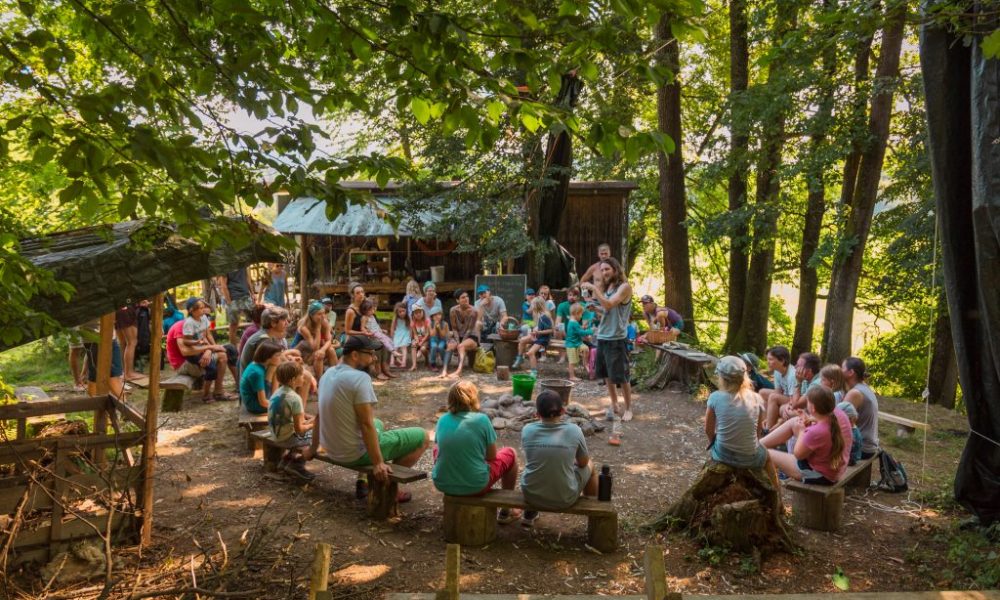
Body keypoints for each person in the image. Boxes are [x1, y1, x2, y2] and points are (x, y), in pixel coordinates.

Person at [304, 336, 430, 502]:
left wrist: (313, 448)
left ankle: (362, 480)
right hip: (352, 454)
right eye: (370, 353)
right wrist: (378, 463)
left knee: (379, 423)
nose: (374, 358)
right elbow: (365, 424)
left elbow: (320, 415)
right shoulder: (360, 379)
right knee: (423, 436)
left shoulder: (328, 373)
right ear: (355, 355)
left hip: (332, 448)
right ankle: (389, 487)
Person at [432, 381, 520, 521]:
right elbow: (491, 456)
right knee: (511, 454)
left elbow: (438, 448)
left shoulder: (442, 420)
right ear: (473, 399)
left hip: (442, 482)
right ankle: (506, 510)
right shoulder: (482, 419)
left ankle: (452, 473)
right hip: (476, 485)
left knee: (438, 448)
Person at [520, 390, 599, 527]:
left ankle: (530, 512)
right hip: (564, 498)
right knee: (590, 465)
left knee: (536, 467)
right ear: (563, 411)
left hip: (531, 495)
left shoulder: (527, 429)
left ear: (537, 414)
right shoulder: (574, 430)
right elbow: (583, 463)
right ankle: (592, 512)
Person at [580, 257, 634, 434]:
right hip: (602, 335)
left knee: (622, 375)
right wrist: (594, 309)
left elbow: (610, 303)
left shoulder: (624, 287)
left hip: (617, 337)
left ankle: (628, 409)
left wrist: (594, 288)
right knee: (607, 375)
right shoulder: (608, 288)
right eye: (602, 270)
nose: (604, 273)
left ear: (615, 269)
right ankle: (614, 404)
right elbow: (606, 309)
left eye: (607, 270)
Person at [761, 386, 851, 484]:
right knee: (795, 422)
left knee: (767, 453)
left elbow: (798, 454)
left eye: (807, 402)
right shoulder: (837, 415)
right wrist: (807, 418)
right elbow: (821, 432)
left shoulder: (816, 432)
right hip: (834, 467)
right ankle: (757, 445)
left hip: (821, 475)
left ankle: (756, 451)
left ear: (812, 408)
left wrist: (801, 431)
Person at [704, 356, 767, 468]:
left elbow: (708, 429)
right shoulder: (757, 398)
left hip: (722, 454)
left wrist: (713, 444)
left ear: (721, 377)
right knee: (767, 456)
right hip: (750, 457)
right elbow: (758, 431)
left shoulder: (714, 397)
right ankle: (774, 486)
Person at [269, 361, 316, 480]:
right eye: (301, 375)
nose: (303, 378)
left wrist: (310, 421)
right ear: (293, 380)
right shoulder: (295, 398)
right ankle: (297, 464)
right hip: (287, 438)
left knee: (309, 430)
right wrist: (315, 424)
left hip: (275, 435)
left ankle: (286, 460)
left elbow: (295, 422)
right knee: (318, 437)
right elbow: (300, 430)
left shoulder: (277, 392)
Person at [183, 297, 235, 402]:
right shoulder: (189, 323)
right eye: (201, 308)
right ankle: (206, 395)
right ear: (192, 310)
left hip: (205, 348)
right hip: (195, 352)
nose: (204, 310)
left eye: (203, 307)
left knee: (230, 349)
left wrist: (215, 347)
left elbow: (208, 334)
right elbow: (187, 342)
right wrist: (204, 347)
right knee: (211, 366)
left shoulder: (204, 318)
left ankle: (224, 389)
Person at [841, 356, 880, 459]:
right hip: (868, 446)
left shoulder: (855, 393)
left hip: (861, 449)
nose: (840, 371)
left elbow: (837, 421)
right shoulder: (863, 387)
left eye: (842, 368)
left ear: (850, 373)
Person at [80, 318, 125, 398]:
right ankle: (125, 408)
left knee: (94, 379)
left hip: (97, 338)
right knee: (113, 379)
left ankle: (98, 408)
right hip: (102, 338)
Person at [293, 301, 338, 375]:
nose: (323, 316)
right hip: (303, 350)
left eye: (323, 313)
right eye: (319, 314)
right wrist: (318, 329)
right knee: (318, 354)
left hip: (314, 347)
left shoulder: (324, 322)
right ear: (311, 315)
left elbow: (329, 340)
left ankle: (337, 375)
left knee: (330, 349)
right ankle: (320, 380)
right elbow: (315, 347)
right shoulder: (304, 327)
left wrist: (323, 350)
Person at [512, 297, 553, 377]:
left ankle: (533, 372)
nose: (531, 306)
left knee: (530, 352)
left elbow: (551, 330)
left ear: (537, 305)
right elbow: (539, 327)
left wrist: (538, 332)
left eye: (532, 305)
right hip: (538, 336)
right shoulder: (538, 314)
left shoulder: (545, 316)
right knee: (522, 340)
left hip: (543, 339)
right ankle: (520, 358)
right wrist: (534, 331)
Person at [240, 340, 284, 414]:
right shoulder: (257, 373)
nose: (280, 358)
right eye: (277, 355)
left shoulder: (258, 364)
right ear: (267, 357)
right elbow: (263, 402)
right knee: (290, 405)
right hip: (255, 406)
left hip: (259, 399)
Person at [443, 290, 479, 378]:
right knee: (450, 345)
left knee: (461, 346)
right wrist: (457, 341)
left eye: (467, 296)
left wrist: (460, 343)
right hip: (458, 335)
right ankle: (444, 370)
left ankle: (459, 371)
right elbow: (454, 329)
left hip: (471, 336)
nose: (466, 299)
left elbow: (469, 330)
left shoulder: (474, 311)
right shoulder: (453, 310)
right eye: (463, 297)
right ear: (457, 300)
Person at [761, 346, 796, 430]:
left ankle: (768, 430)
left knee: (773, 397)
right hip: (785, 396)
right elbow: (778, 391)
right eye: (767, 359)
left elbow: (794, 400)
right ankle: (765, 422)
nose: (768, 362)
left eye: (771, 359)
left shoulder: (792, 374)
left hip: (794, 400)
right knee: (763, 392)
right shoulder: (777, 371)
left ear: (782, 360)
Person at [361, 299, 395, 380]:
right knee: (378, 345)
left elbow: (376, 327)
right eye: (372, 309)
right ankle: (378, 371)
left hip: (375, 336)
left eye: (374, 308)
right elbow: (363, 328)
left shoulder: (373, 316)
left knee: (385, 343)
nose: (374, 310)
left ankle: (385, 369)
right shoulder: (364, 317)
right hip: (367, 337)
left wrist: (381, 330)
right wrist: (367, 332)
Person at [220, 267, 254, 345]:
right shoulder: (225, 267)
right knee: (234, 324)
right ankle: (233, 348)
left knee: (256, 318)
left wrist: (252, 293)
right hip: (234, 298)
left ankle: (257, 342)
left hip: (246, 296)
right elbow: (223, 285)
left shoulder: (242, 263)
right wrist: (229, 302)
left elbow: (247, 278)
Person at [564, 303, 593, 381]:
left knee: (586, 348)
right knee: (572, 362)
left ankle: (585, 362)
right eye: (581, 314)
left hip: (577, 343)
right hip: (572, 345)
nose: (581, 316)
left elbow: (577, 329)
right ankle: (571, 376)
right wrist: (591, 331)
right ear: (576, 313)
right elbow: (581, 333)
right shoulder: (574, 322)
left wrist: (582, 327)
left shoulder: (572, 321)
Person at [115, 303, 142, 382]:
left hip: (118, 310)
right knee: (132, 342)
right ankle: (129, 373)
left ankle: (125, 372)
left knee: (123, 343)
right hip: (126, 310)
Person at [837, 401, 863, 466]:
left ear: (850, 419)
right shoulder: (854, 429)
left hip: (850, 459)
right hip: (852, 457)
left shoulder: (852, 433)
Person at [389, 302, 412, 368]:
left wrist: (410, 336)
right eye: (400, 312)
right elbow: (392, 327)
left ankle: (403, 363)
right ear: (397, 312)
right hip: (397, 334)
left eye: (403, 311)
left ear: (406, 310)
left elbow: (410, 328)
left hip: (406, 333)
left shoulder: (408, 318)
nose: (402, 313)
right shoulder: (395, 318)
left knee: (403, 347)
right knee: (395, 348)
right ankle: (392, 362)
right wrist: (392, 336)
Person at [409, 306, 431, 371]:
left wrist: (422, 342)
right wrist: (417, 340)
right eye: (416, 313)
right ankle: (414, 365)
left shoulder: (427, 321)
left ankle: (427, 359)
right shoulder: (413, 322)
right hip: (418, 339)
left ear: (423, 312)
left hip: (426, 339)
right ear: (413, 314)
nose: (418, 314)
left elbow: (427, 334)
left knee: (423, 349)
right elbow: (415, 334)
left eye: (419, 312)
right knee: (413, 344)